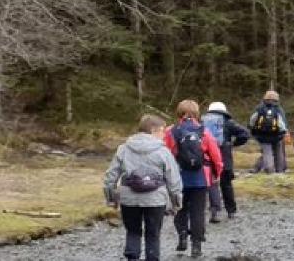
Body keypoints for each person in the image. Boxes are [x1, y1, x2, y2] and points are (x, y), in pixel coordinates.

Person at [105, 114, 183, 261]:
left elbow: (110, 176)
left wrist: (111, 198)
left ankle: (132, 257)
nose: (164, 135)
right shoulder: (163, 151)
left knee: (133, 231)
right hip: (156, 199)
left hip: (129, 198)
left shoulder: (124, 148)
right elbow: (173, 179)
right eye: (162, 131)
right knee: (153, 234)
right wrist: (176, 202)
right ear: (153, 130)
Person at [161, 100, 222, 257]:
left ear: (178, 113)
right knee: (198, 212)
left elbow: (164, 156)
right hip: (200, 179)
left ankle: (182, 235)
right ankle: (196, 246)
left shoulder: (170, 132)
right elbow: (216, 156)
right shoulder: (204, 132)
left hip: (177, 178)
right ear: (197, 113)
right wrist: (217, 174)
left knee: (180, 209)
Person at [198, 102, 249, 223]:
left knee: (210, 185)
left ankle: (214, 212)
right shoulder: (227, 122)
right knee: (226, 185)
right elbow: (245, 134)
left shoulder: (202, 121)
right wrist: (233, 144)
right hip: (224, 156)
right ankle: (231, 211)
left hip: (206, 158)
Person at [245, 91, 288, 175]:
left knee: (266, 153)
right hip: (277, 135)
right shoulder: (279, 109)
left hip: (262, 136)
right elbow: (282, 123)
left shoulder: (259, 108)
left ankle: (268, 170)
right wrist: (285, 132)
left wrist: (251, 129)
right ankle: (280, 170)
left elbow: (252, 121)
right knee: (279, 153)